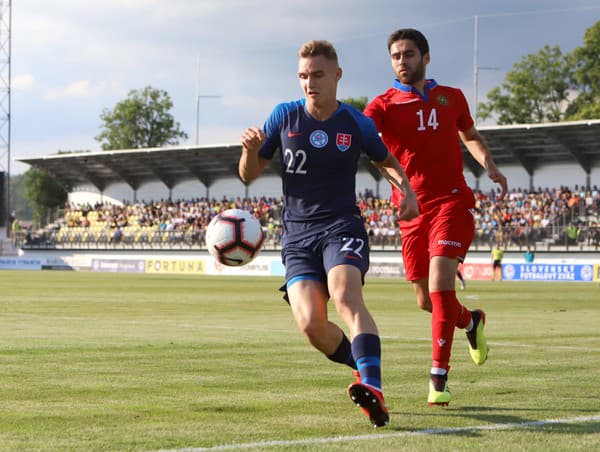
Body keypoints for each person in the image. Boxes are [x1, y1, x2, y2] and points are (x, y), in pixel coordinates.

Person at [239, 39, 418, 428]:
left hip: (341, 226)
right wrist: (250, 150)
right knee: (311, 325)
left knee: (344, 296)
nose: (309, 83)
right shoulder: (283, 117)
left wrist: (407, 190)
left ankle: (374, 386)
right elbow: (249, 174)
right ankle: (363, 364)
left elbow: (385, 160)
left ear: (337, 75)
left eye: (317, 75)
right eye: (303, 76)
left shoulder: (355, 122)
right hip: (297, 237)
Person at [364, 28, 508, 407]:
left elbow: (471, 134)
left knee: (441, 287)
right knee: (427, 301)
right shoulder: (382, 105)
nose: (401, 61)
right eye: (395, 56)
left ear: (425, 57)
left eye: (408, 54)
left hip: (452, 202)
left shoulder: (452, 97)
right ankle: (472, 322)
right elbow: (371, 148)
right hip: (412, 211)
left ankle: (438, 379)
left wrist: (489, 164)